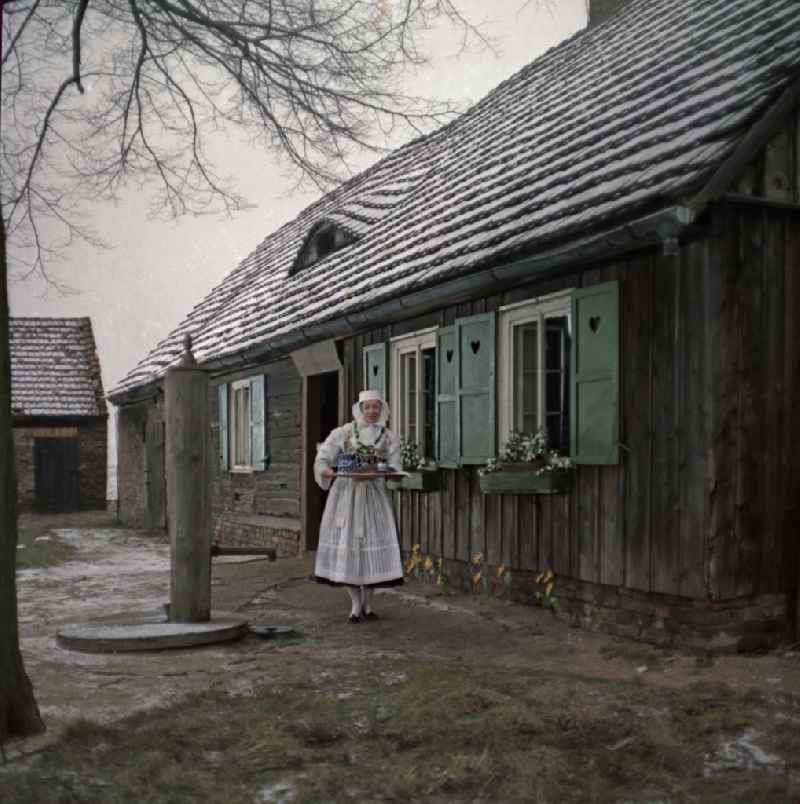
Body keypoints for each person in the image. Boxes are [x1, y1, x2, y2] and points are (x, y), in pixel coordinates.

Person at [313, 389, 404, 623]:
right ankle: (355, 605)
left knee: (372, 545)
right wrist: (324, 468)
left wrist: (392, 473)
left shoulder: (388, 437)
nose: (372, 411)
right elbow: (324, 455)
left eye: (376, 407)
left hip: (374, 497)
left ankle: (368, 603)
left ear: (381, 409)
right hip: (346, 495)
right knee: (349, 546)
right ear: (360, 409)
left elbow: (394, 467)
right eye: (368, 407)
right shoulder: (344, 432)